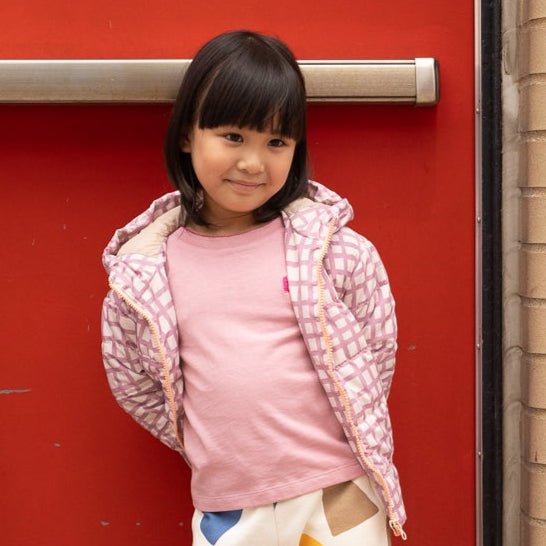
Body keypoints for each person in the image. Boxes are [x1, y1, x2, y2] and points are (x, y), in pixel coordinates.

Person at [101, 30, 406, 545]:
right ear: (187, 135)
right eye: (233, 137)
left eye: (276, 143)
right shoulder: (145, 273)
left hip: (337, 493)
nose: (253, 163)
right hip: (229, 507)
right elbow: (134, 382)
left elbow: (373, 354)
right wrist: (206, 443)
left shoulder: (334, 252)